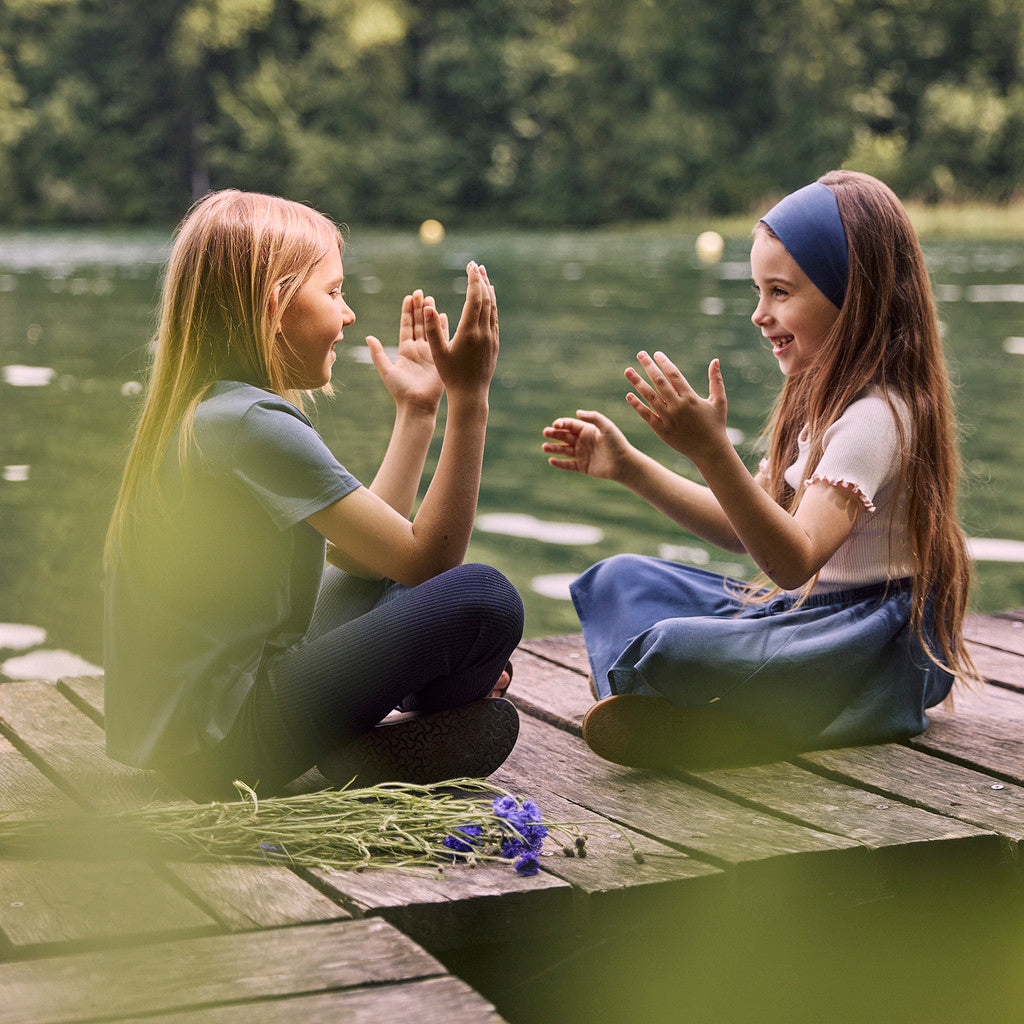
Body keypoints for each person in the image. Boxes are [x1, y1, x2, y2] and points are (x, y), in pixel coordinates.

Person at [542, 169, 975, 772]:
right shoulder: (819, 400)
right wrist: (631, 469)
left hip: (860, 641)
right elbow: (742, 530)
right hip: (798, 616)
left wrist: (712, 451)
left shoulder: (878, 418)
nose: (758, 314)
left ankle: (711, 713)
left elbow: (794, 559)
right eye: (757, 291)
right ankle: (671, 707)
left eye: (780, 292)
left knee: (676, 647)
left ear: (853, 296)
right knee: (618, 579)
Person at [104, 189, 524, 800]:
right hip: (226, 749)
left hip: (193, 737)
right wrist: (472, 399)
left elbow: (365, 558)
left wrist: (419, 410)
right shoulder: (251, 423)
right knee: (485, 596)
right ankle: (410, 714)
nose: (349, 315)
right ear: (276, 306)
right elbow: (430, 560)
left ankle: (378, 724)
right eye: (333, 292)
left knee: (375, 580)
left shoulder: (213, 410)